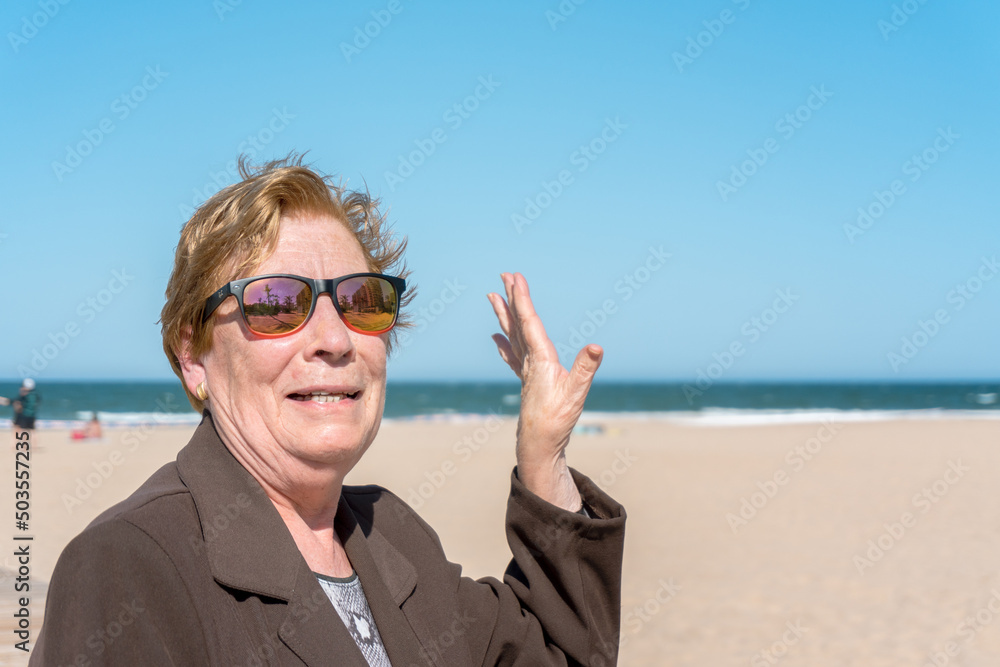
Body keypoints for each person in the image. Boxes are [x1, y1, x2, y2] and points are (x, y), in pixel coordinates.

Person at [31, 156, 626, 665]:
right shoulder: (130, 563)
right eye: (277, 303)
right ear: (194, 356)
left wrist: (544, 454)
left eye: (360, 301)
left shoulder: (391, 532)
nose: (335, 339)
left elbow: (558, 654)